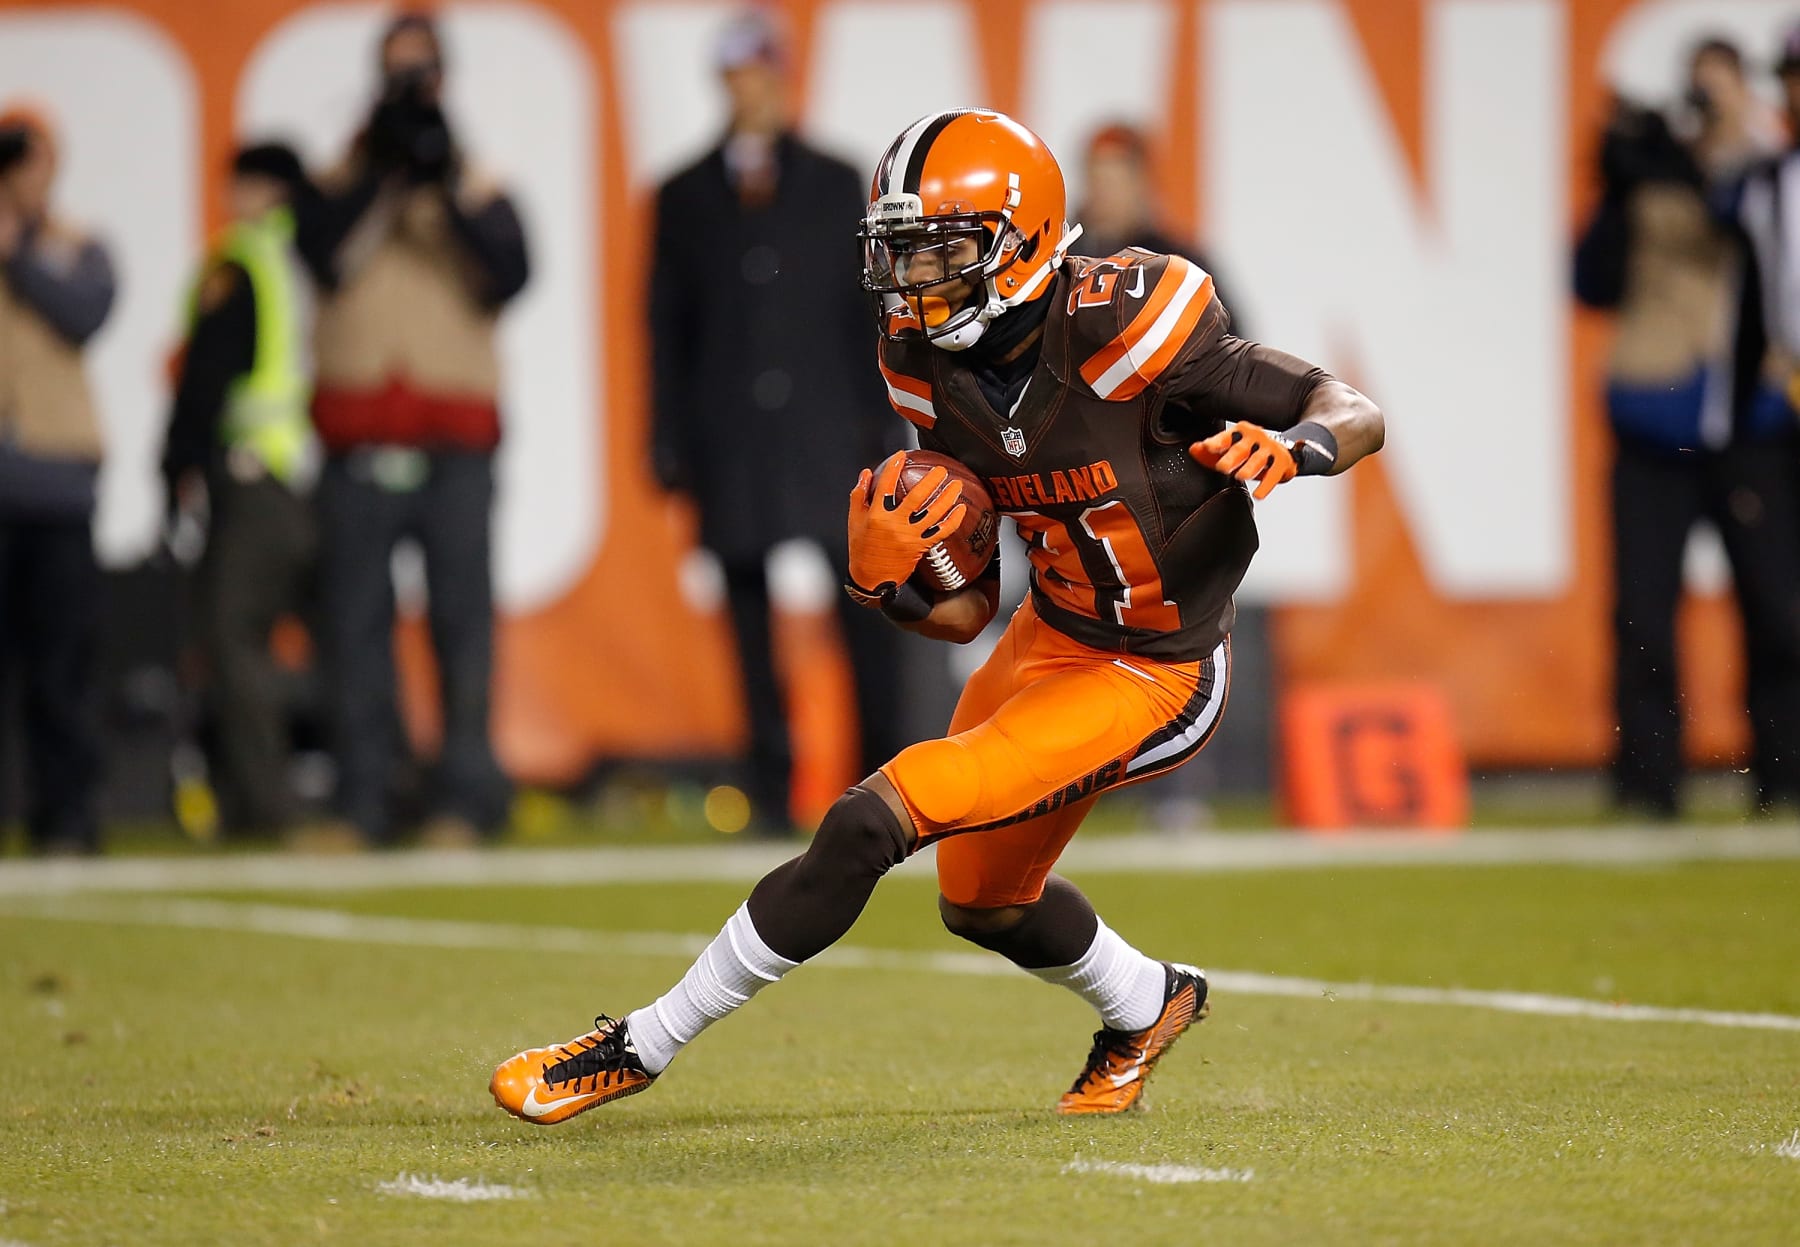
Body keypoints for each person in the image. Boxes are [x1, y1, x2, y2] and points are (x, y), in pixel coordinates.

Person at [491, 109, 1382, 1121]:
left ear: (1025, 240)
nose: (915, 278)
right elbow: (969, 611)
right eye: (902, 251)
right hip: (1050, 632)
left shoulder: (1129, 322)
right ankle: (1150, 1000)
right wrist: (895, 585)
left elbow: (1349, 405)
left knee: (871, 818)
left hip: (1158, 667)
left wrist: (1298, 447)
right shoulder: (922, 365)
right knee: (983, 902)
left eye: (943, 250)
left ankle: (636, 1046)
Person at [648, 9, 906, 834]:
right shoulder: (684, 195)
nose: (751, 91)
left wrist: (888, 419)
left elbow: (871, 311)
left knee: (866, 608)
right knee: (747, 621)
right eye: (738, 76)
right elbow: (666, 325)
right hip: (731, 434)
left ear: (784, 78)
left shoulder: (835, 181)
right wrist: (667, 437)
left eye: (762, 73)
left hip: (829, 431)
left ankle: (887, 784)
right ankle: (769, 783)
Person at [294, 11, 529, 849]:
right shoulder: (338, 181)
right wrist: (383, 174)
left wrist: (443, 180)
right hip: (358, 439)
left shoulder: (476, 182)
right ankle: (364, 800)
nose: (409, 90)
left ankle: (464, 799)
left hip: (454, 440)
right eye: (397, 74)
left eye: (420, 73)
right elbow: (319, 256)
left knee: (462, 626)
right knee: (354, 626)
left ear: (443, 78)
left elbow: (511, 273)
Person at [1578, 36, 1800, 817]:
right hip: (1655, 419)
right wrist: (1618, 184)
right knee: (1643, 612)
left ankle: (1784, 775)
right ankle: (1647, 784)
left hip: (1751, 423)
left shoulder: (1771, 174)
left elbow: (1747, 225)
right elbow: (1591, 281)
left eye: (1720, 91)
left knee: (1777, 607)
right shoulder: (1650, 176)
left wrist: (1733, 144)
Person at [161, 141, 317, 838]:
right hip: (306, 471)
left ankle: (265, 807)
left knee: (232, 637)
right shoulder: (311, 258)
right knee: (319, 637)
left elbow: (206, 376)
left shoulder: (244, 260)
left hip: (252, 472)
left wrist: (175, 462)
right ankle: (368, 792)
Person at [0, 105, 117, 856]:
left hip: (57, 483)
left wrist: (18, 252)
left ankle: (69, 815)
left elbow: (84, 313)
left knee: (61, 666)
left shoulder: (79, 246)